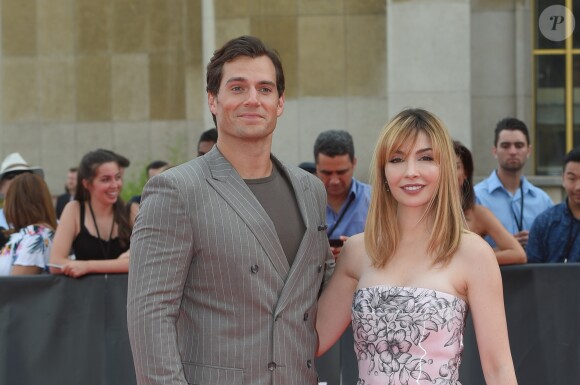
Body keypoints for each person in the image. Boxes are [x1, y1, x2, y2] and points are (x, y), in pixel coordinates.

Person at [127, 35, 333, 385]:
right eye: (237, 88)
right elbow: (150, 315)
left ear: (280, 102)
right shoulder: (176, 190)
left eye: (265, 89)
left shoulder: (310, 189)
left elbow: (320, 287)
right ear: (213, 99)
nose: (253, 99)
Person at [316, 108, 518, 385]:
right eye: (397, 159)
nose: (411, 172)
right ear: (383, 170)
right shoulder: (357, 250)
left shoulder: (474, 254)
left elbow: (498, 367)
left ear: (444, 166)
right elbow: (312, 340)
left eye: (425, 158)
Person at [49, 149, 131, 278]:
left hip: (126, 295)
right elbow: (55, 263)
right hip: (86, 295)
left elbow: (145, 262)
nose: (114, 185)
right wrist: (119, 264)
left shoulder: (131, 211)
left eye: (118, 177)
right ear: (87, 184)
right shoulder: (74, 210)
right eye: (105, 179)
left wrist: (87, 266)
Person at [474, 117, 553, 249]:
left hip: (535, 268)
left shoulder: (543, 201)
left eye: (519, 145)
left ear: (529, 151)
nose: (512, 152)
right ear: (494, 151)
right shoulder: (476, 198)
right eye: (505, 146)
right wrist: (508, 248)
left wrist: (536, 243)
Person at [454, 141, 526, 265]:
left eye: (456, 167)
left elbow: (518, 253)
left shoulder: (477, 213)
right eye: (443, 165)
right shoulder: (419, 211)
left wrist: (473, 259)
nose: (449, 172)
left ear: (465, 173)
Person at [314, 130, 371, 258]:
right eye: (327, 173)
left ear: (354, 163)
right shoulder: (303, 203)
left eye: (341, 172)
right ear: (316, 167)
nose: (334, 181)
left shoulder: (376, 200)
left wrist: (361, 250)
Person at [527, 147, 580, 262]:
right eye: (572, 178)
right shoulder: (545, 222)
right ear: (563, 179)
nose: (578, 187)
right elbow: (533, 271)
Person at [0, 174, 57, 275]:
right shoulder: (32, 234)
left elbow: (15, 286)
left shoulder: (36, 237)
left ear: (16, 202)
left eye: (7, 199)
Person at [0, 152, 44, 229]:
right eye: (11, 177)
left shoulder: (47, 221)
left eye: (24, 176)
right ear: (1, 186)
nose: (19, 181)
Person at [127, 160, 169, 224]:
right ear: (147, 181)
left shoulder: (179, 201)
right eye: (153, 179)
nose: (157, 183)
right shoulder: (137, 202)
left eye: (160, 179)